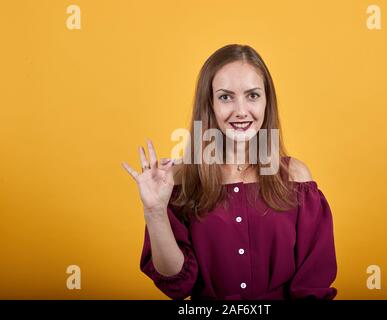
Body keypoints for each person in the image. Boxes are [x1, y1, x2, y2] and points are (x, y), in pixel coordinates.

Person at [121, 44, 338, 300]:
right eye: (225, 97)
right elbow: (176, 285)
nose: (241, 111)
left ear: (267, 101)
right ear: (209, 104)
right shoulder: (180, 179)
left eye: (253, 95)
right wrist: (155, 211)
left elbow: (313, 282)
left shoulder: (296, 177)